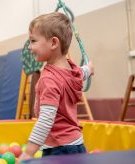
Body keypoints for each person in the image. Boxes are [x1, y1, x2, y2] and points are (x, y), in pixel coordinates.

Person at [17, 12, 94, 162]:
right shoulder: (71, 69)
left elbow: (46, 120)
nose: (30, 47)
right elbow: (81, 73)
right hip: (77, 144)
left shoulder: (48, 79)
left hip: (59, 149)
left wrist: (28, 152)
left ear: (53, 43)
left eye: (33, 41)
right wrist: (89, 69)